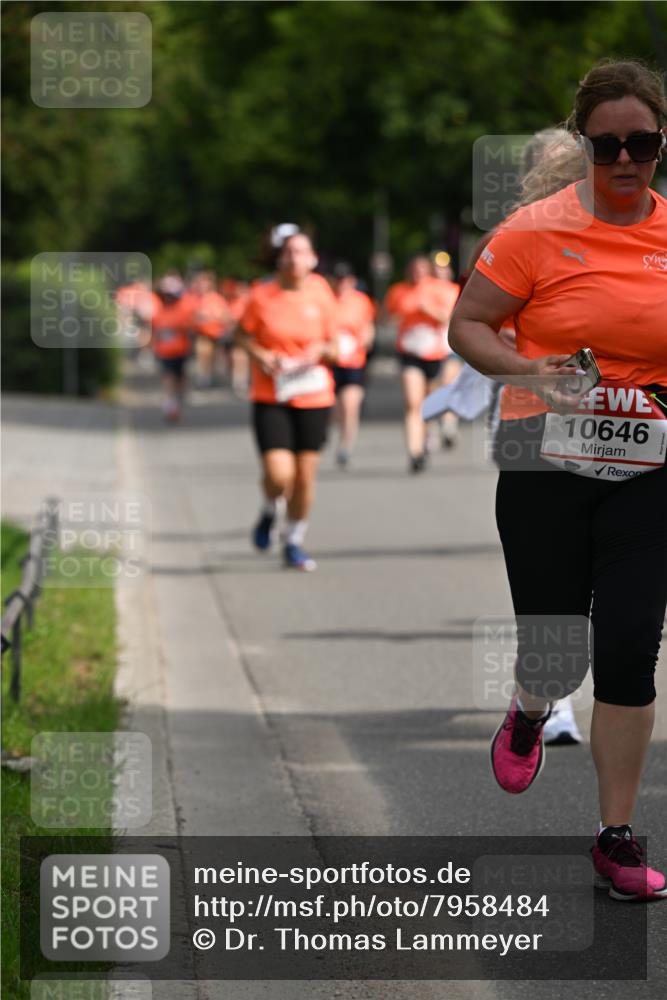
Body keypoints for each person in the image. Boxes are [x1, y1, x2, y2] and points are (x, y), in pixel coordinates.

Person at [449, 59, 667, 900]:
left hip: (646, 470)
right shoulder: (532, 232)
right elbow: (467, 325)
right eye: (606, 144)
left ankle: (614, 837)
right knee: (559, 646)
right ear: (583, 144)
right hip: (541, 460)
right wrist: (530, 371)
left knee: (625, 649)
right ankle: (532, 707)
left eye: (640, 144)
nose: (623, 160)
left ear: (659, 145)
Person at [234, 230, 339, 571]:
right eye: (289, 252)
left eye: (302, 252)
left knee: (305, 478)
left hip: (314, 395)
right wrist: (263, 355)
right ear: (280, 258)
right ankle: (269, 508)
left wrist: (320, 350)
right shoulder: (261, 295)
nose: (295, 258)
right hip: (272, 394)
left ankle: (293, 540)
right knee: (280, 476)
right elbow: (241, 335)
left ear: (312, 259)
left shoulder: (322, 293)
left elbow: (336, 347)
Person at [385, 255, 460, 472]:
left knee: (429, 403)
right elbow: (388, 317)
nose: (418, 273)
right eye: (414, 269)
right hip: (409, 353)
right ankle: (415, 453)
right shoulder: (398, 291)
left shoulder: (439, 289)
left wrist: (428, 310)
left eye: (422, 269)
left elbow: (448, 318)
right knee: (412, 403)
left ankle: (430, 433)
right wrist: (399, 318)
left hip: (436, 354)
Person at [329, 262, 376, 468]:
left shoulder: (361, 301)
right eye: (338, 280)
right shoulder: (326, 300)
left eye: (345, 280)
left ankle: (345, 446)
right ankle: (337, 434)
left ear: (352, 281)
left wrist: (366, 337)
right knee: (335, 408)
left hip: (354, 361)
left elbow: (368, 326)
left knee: (350, 405)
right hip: (330, 361)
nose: (342, 284)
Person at [150, 274, 196, 421]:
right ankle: (171, 404)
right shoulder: (159, 310)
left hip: (181, 350)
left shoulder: (183, 308)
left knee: (180, 377)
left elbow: (189, 327)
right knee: (168, 377)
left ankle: (178, 399)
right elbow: (155, 330)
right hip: (165, 351)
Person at [188, 270, 230, 388]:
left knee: (210, 354)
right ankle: (204, 375)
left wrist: (211, 317)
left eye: (204, 281)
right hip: (200, 332)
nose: (202, 284)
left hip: (215, 332)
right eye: (200, 281)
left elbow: (225, 316)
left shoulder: (216, 298)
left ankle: (208, 374)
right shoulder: (195, 298)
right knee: (203, 349)